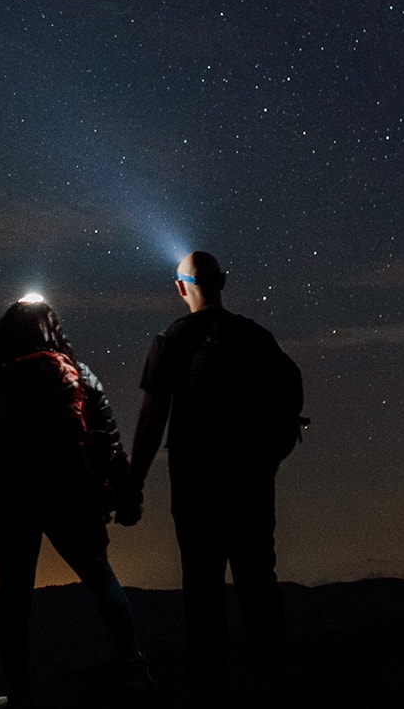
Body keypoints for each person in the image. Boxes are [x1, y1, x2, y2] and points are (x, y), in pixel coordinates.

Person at [127, 252, 304, 677]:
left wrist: (134, 483)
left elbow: (153, 418)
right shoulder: (257, 337)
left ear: (180, 287)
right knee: (259, 581)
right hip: (253, 480)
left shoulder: (173, 339)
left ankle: (211, 685)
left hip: (197, 483)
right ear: (221, 282)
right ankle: (273, 681)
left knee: (203, 587)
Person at [0, 296, 148, 697]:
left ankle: (20, 693)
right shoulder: (79, 375)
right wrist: (126, 493)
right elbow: (111, 440)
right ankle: (135, 667)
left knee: (14, 604)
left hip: (14, 503)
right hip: (73, 496)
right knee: (102, 582)